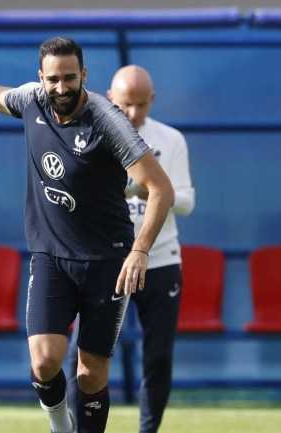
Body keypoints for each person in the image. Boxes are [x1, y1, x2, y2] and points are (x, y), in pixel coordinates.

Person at [0, 36, 173, 433]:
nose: (61, 88)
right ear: (40, 78)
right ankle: (60, 427)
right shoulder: (32, 101)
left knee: (91, 375)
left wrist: (140, 251)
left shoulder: (108, 119)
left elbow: (161, 189)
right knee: (43, 362)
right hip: (51, 257)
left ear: (84, 76)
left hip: (107, 261)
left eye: (70, 78)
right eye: (53, 79)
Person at [69, 65, 196, 433]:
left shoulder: (171, 140)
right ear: (111, 98)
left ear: (152, 100)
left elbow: (186, 201)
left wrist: (155, 190)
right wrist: (129, 187)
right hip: (108, 261)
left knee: (157, 356)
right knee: (86, 353)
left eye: (141, 105)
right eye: (126, 104)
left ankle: (148, 429)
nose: (134, 114)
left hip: (160, 260)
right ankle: (75, 426)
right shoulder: (90, 135)